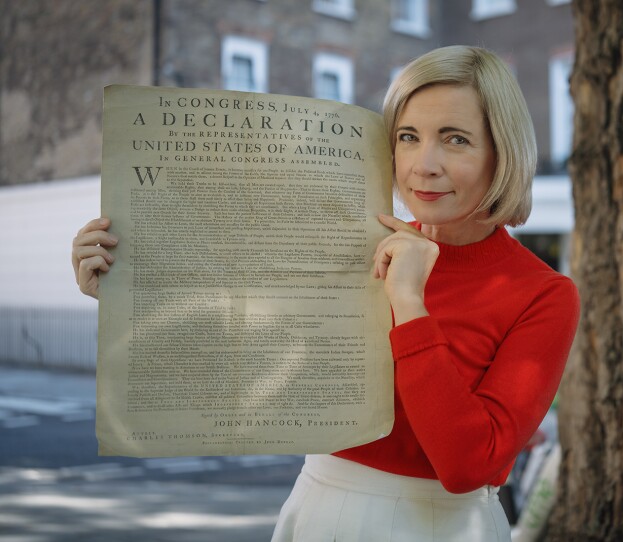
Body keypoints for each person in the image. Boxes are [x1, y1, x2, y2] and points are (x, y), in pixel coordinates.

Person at [72, 45, 579, 541]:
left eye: (456, 139)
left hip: (444, 527)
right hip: (319, 508)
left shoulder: (544, 294)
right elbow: (244, 352)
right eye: (407, 136)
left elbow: (470, 463)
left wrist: (410, 304)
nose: (423, 164)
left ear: (503, 151)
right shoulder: (350, 243)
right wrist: (128, 291)